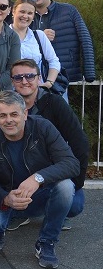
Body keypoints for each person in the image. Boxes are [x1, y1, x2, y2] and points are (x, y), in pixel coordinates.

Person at [0, 90, 79, 269]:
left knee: (66, 187)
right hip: (7, 196)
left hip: (39, 193)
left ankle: (46, 242)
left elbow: (71, 163)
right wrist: (5, 198)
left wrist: (37, 178)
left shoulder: (43, 127)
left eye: (14, 114)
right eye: (3, 115)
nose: (9, 120)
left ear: (25, 114)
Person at [10, 59, 88, 226]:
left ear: (39, 78)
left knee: (74, 204)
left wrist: (76, 182)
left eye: (30, 76)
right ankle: (22, 211)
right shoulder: (7, 107)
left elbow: (79, 141)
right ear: (12, 81)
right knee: (0, 216)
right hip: (19, 176)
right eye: (18, 77)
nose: (24, 81)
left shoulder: (55, 103)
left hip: (51, 173)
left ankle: (55, 211)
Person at [26, 0, 95, 83]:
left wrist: (89, 74)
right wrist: (41, 37)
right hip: (36, 79)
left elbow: (85, 39)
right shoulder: (25, 17)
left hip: (66, 76)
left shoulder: (69, 11)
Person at [11, 0, 61, 93]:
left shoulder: (39, 36)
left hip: (36, 92)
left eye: (30, 13)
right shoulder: (3, 36)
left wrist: (48, 83)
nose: (25, 16)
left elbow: (53, 61)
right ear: (13, 11)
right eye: (22, 12)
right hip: (12, 93)